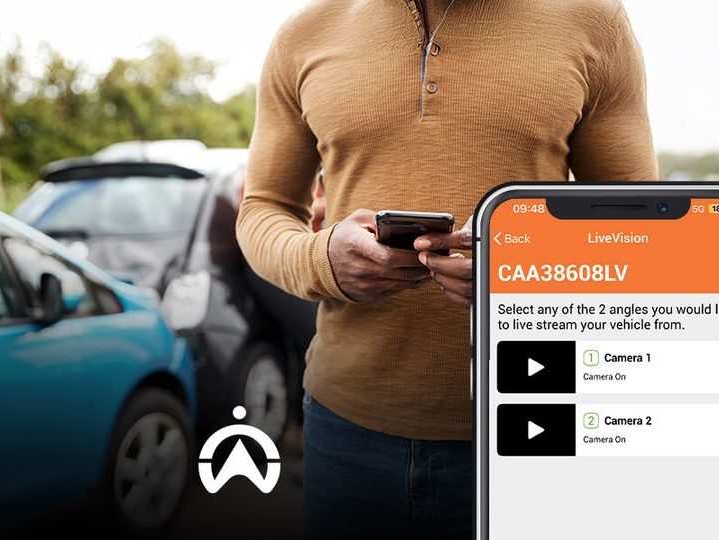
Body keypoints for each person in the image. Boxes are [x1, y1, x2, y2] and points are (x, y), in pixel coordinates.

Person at [236, 0, 657, 538]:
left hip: (529, 426)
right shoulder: (304, 32)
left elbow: (640, 223)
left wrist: (529, 269)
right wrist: (322, 260)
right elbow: (264, 208)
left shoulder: (594, 19)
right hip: (345, 429)